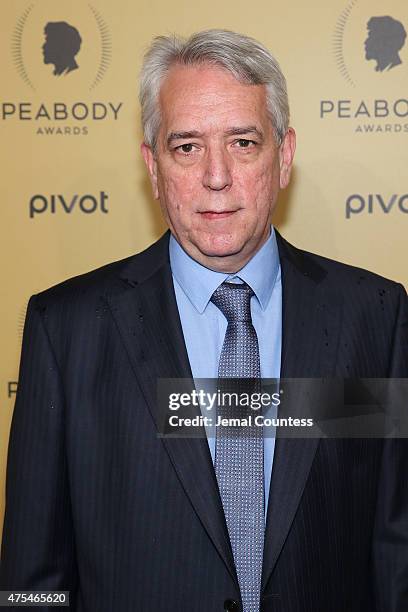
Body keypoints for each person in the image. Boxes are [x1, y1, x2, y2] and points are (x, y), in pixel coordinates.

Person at [1, 29, 407, 612]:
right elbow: (29, 584)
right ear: (153, 165)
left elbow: (396, 551)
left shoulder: (373, 317)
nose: (216, 176)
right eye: (186, 147)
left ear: (284, 155)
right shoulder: (66, 330)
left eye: (243, 142)